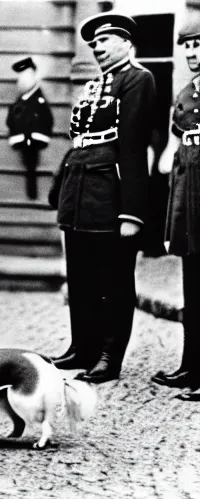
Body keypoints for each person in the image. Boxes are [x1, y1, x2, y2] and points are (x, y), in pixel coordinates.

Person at [49, 12, 156, 383]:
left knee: (113, 281)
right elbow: (77, 142)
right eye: (93, 43)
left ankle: (109, 356)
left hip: (109, 195)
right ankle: (83, 348)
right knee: (80, 278)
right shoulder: (96, 85)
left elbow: (132, 148)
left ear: (126, 43)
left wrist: (132, 213)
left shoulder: (138, 80)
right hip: (79, 191)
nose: (96, 47)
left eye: (104, 41)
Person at [151, 17, 200, 400]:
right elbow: (175, 146)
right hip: (188, 199)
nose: (193, 52)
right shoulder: (184, 93)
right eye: (188, 46)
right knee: (192, 289)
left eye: (199, 45)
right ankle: (190, 367)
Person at [6, 56, 54, 199]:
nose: (20, 80)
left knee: (31, 166)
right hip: (23, 140)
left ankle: (32, 194)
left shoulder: (38, 99)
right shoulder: (21, 100)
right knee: (29, 166)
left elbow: (47, 119)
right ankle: (31, 193)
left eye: (24, 76)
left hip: (33, 140)